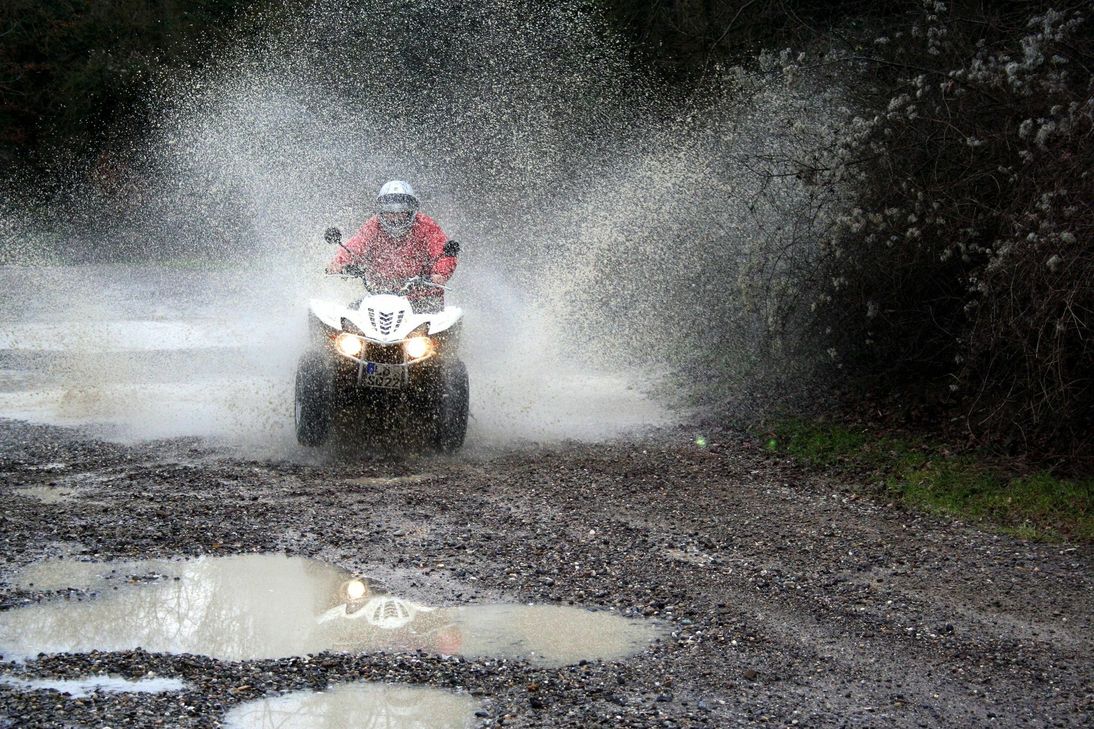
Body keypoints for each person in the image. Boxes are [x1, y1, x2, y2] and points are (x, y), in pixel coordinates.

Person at [326, 180, 457, 311]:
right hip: (380, 297)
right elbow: (355, 247)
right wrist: (339, 262)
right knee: (350, 318)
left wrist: (440, 274)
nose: (395, 218)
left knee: (435, 327)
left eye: (401, 212)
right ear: (381, 211)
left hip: (422, 298)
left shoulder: (426, 226)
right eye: (390, 212)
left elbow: (443, 253)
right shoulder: (374, 226)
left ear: (411, 210)